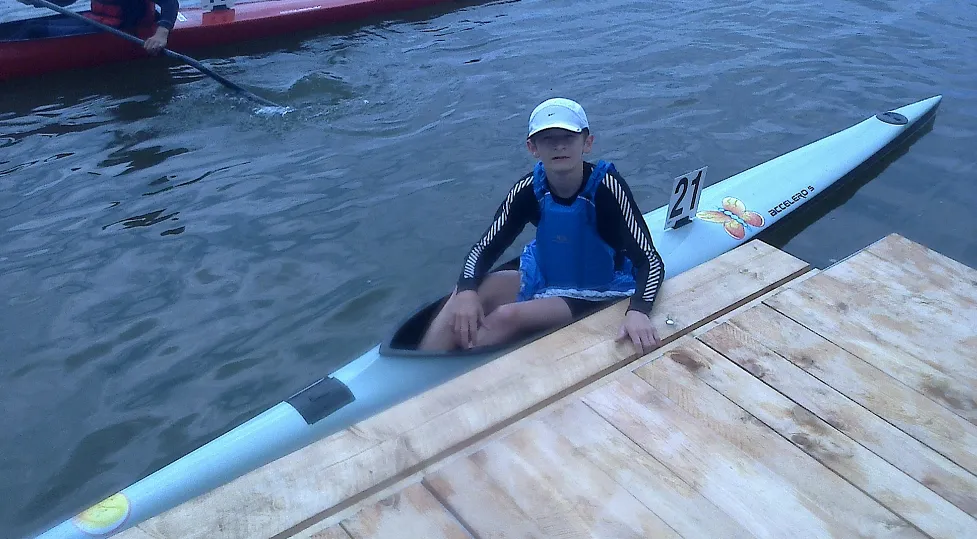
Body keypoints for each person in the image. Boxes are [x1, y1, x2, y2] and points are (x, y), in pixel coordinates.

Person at [418, 97, 665, 355]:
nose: (559, 146)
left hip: (597, 286)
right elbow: (484, 248)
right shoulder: (528, 190)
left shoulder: (608, 188)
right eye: (548, 139)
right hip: (545, 274)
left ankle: (457, 367)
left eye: (568, 137)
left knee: (506, 317)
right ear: (533, 147)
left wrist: (638, 310)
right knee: (467, 294)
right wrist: (467, 292)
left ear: (587, 143)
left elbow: (650, 260)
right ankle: (425, 362)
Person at [14, 0, 178, 55]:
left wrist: (161, 34)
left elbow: (170, 3)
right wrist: (37, 1)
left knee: (33, 30)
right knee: (29, 26)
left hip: (122, 28)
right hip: (97, 20)